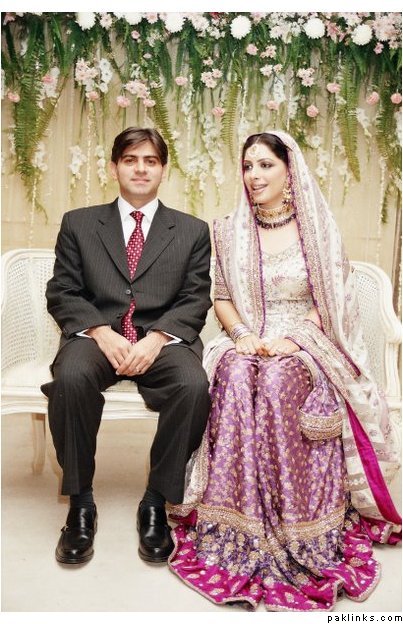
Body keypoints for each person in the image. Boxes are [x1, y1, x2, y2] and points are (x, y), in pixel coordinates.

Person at [168, 131, 401, 611]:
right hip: (248, 337)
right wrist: (241, 335)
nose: (254, 175)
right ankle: (235, 521)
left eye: (265, 165)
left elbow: (330, 300)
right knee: (235, 375)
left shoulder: (317, 229)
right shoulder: (228, 230)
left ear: (288, 171)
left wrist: (294, 340)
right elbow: (222, 297)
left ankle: (294, 520)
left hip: (307, 340)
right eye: (248, 166)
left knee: (276, 381)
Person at [41, 127, 212, 566]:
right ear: (114, 166)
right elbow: (62, 290)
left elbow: (195, 298)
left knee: (193, 386)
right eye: (131, 160)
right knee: (71, 377)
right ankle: (80, 504)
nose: (140, 169)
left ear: (163, 169)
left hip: (161, 340)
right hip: (97, 336)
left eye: (150, 161)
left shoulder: (192, 230)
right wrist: (101, 332)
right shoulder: (79, 223)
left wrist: (157, 339)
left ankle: (155, 502)